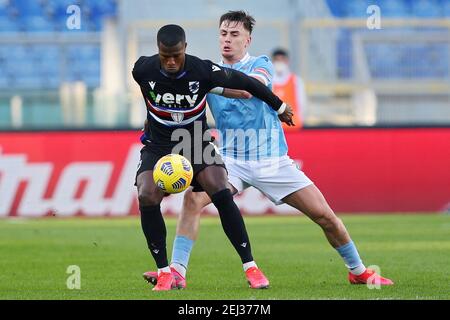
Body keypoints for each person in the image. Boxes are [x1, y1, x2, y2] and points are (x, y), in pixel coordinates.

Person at [144, 11, 393, 289]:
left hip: (271, 160)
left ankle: (357, 270)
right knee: (192, 201)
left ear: (247, 40)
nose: (227, 40)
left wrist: (209, 83)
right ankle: (177, 271)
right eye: (223, 34)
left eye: (234, 34)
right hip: (231, 160)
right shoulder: (205, 72)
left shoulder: (260, 64)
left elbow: (254, 87)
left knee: (325, 216)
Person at [133, 23, 294, 291]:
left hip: (195, 142)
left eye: (176, 55)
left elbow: (244, 82)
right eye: (165, 56)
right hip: (159, 146)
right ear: (158, 51)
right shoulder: (142, 69)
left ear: (185, 48)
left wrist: (279, 106)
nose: (171, 62)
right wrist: (149, 121)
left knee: (220, 190)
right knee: (146, 194)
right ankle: (165, 272)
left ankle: (251, 267)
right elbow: (150, 96)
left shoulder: (202, 69)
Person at [271, 48, 307, 130]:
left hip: (293, 127)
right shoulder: (268, 81)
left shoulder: (296, 81)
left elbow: (302, 103)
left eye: (282, 60)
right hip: (274, 128)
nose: (279, 62)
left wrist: (302, 120)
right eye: (277, 60)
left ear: (287, 61)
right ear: (272, 62)